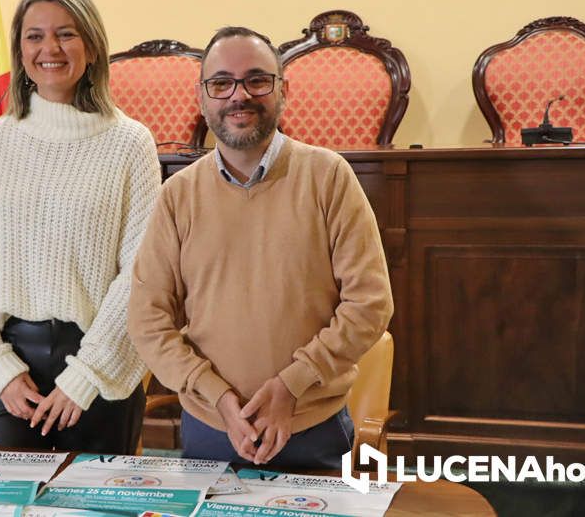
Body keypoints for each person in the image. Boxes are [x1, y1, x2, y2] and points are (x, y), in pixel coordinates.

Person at [127, 26, 393, 468]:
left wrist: (291, 386)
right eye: (221, 83)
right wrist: (219, 397)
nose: (239, 95)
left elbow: (369, 304)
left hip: (313, 425)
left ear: (282, 90)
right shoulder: (177, 195)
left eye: (256, 80)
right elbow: (146, 319)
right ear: (202, 98)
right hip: (210, 428)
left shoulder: (329, 177)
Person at [0, 0, 160, 453]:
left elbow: (140, 274)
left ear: (91, 47)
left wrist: (86, 376)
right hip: (8, 366)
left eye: (65, 34)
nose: (49, 49)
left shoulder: (130, 144)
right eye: (34, 36)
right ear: (20, 50)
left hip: (98, 365)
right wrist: (0, 370)